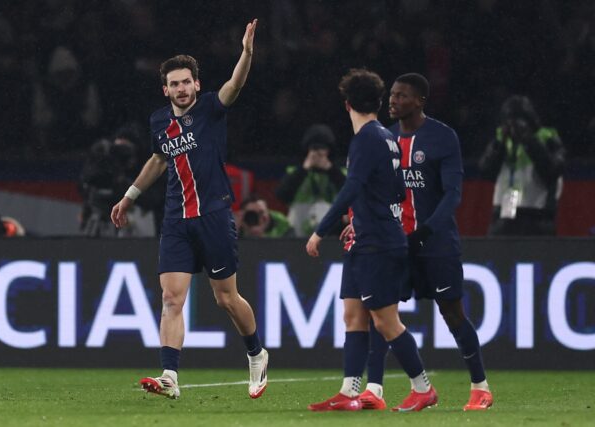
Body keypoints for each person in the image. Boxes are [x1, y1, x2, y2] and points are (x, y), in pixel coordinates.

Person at [110, 19, 268, 400]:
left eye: (186, 82)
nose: (181, 89)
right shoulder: (159, 121)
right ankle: (169, 375)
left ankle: (256, 352)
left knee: (226, 298)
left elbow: (236, 85)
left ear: (196, 84)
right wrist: (129, 195)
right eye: (174, 84)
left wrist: (246, 54)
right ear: (165, 89)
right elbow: (158, 160)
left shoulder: (212, 108)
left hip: (214, 215)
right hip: (176, 219)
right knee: (171, 298)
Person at [305, 68, 437, 412]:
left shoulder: (365, 139)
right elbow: (395, 189)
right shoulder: (388, 138)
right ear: (378, 102)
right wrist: (356, 219)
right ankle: (350, 391)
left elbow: (352, 187)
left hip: (378, 242)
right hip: (366, 237)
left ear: (347, 104)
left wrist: (321, 230)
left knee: (385, 321)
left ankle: (423, 387)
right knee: (352, 315)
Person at [359, 72, 492, 411]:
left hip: (435, 244)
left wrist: (425, 232)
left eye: (402, 95)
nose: (393, 100)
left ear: (420, 101)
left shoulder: (442, 137)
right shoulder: (384, 138)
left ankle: (480, 387)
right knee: (380, 312)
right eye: (392, 93)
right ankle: (375, 390)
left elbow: (453, 194)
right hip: (395, 243)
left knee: (452, 314)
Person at [479, 95, 565, 235]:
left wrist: (529, 140)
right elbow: (485, 171)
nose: (514, 126)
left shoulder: (547, 137)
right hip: (504, 214)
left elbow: (552, 171)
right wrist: (500, 145)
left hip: (537, 214)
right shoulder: (502, 139)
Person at [275, 124, 346, 236]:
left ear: (329, 150)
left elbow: (353, 196)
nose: (318, 153)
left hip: (331, 233)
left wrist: (330, 169)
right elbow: (281, 195)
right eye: (314, 148)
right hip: (299, 229)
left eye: (322, 148)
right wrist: (304, 169)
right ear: (307, 150)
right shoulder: (295, 172)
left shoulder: (340, 173)